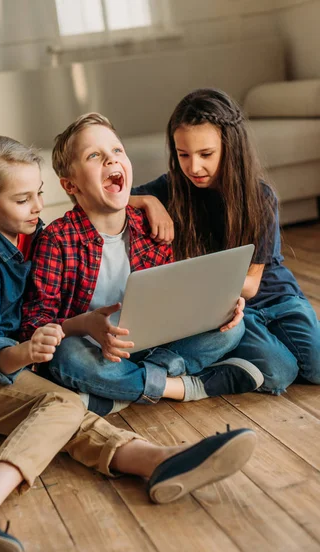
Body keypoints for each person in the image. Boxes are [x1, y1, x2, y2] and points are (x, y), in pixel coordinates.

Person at [0, 135, 258, 552]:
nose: (38, 207)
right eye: (23, 199)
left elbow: (94, 213)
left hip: (20, 368)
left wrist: (143, 202)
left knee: (67, 414)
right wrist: (28, 351)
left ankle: (159, 461)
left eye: (39, 194)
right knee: (62, 406)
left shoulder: (27, 234)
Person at [20, 113, 263, 416]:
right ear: (70, 185)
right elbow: (35, 325)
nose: (111, 160)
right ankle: (182, 387)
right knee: (65, 356)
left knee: (232, 329)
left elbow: (175, 295)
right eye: (94, 155)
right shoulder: (56, 240)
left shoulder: (151, 226)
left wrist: (217, 306)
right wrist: (82, 326)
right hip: (97, 353)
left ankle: (119, 391)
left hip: (154, 347)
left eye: (117, 151)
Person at [130, 88, 320, 394]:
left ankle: (241, 356)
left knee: (317, 368)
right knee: (279, 372)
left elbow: (251, 284)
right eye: (183, 155)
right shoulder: (171, 189)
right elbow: (106, 202)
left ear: (229, 147)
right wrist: (147, 202)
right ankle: (197, 379)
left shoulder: (260, 197)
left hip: (274, 298)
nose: (193, 167)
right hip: (227, 310)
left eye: (206, 154)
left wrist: (192, 280)